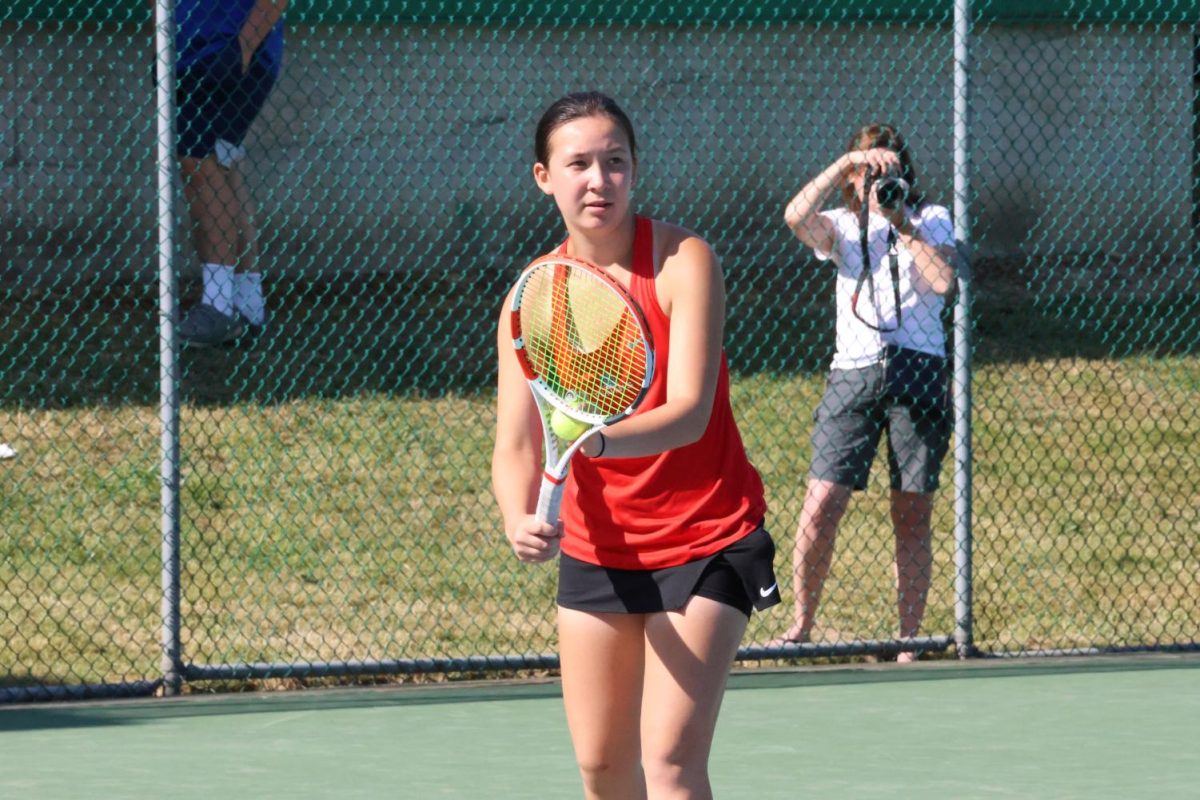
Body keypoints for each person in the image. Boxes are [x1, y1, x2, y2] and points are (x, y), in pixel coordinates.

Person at [491, 92, 780, 799]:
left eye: (615, 163)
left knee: (671, 763)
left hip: (707, 536)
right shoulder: (532, 296)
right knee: (601, 768)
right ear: (544, 177)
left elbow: (687, 412)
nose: (599, 180)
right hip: (600, 549)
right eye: (579, 164)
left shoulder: (685, 260)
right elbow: (515, 445)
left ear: (635, 170)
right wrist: (515, 516)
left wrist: (593, 442)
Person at [776, 123, 957, 662]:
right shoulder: (841, 226)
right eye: (867, 172)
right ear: (852, 180)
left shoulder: (930, 220)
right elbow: (793, 217)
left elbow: (943, 282)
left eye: (887, 169)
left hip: (918, 369)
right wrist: (843, 162)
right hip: (853, 372)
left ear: (905, 171)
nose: (876, 180)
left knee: (912, 510)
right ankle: (801, 626)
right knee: (821, 502)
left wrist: (901, 221)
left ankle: (908, 641)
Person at [169, 0, 287, 346]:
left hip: (232, 53)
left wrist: (244, 47)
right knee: (223, 166)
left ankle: (218, 306)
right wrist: (167, 40)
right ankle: (248, 306)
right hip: (190, 54)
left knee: (200, 164)